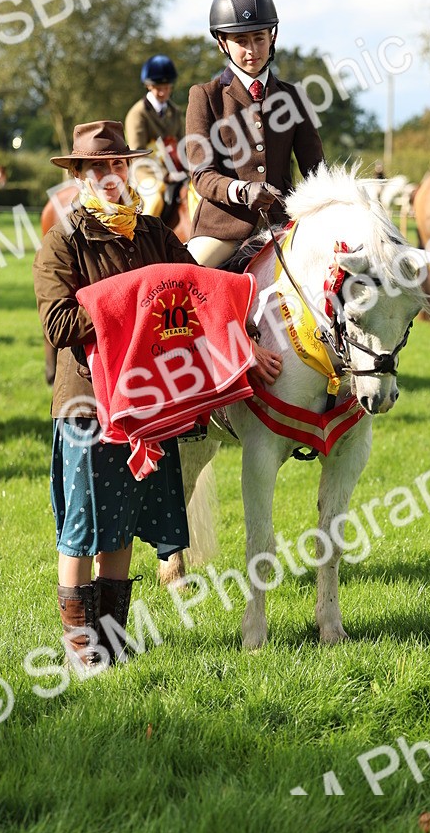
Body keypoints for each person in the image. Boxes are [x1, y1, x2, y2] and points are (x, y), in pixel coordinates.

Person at [33, 119, 281, 670]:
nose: (110, 176)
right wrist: (135, 300)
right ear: (78, 177)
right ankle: (80, 650)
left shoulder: (152, 233)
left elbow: (199, 292)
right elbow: (58, 324)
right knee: (82, 527)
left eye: (118, 165)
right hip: (87, 402)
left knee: (120, 524)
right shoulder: (61, 241)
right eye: (97, 169)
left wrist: (244, 340)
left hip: (148, 400)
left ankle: (111, 644)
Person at [184, 0, 324, 267]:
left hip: (284, 226)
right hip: (223, 230)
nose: (252, 50)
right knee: (185, 280)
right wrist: (242, 190)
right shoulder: (205, 97)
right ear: (222, 42)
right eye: (241, 41)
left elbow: (316, 170)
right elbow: (202, 174)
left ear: (272, 37)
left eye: (259, 38)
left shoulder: (294, 97)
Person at [124, 54, 187, 219]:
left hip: (176, 171)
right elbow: (137, 153)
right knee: (155, 200)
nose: (163, 92)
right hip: (145, 172)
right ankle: (141, 241)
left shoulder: (175, 111)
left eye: (167, 87)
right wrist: (165, 175)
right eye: (158, 87)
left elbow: (183, 144)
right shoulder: (138, 114)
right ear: (148, 86)